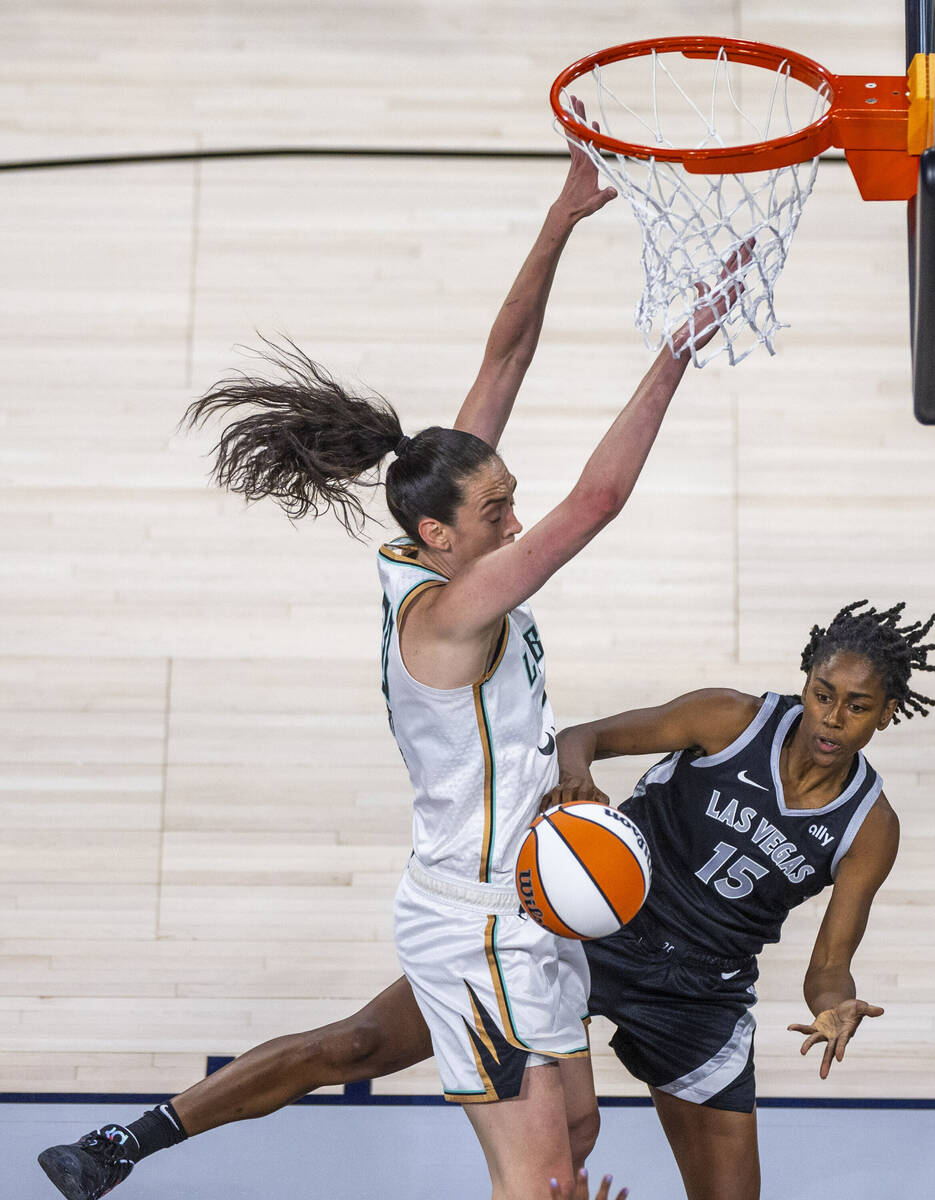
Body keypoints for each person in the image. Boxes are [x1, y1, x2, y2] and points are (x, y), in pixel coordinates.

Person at [36, 105, 748, 1200]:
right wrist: (676, 349)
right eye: (498, 508)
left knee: (563, 1126)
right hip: (480, 915)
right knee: (544, 1179)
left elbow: (504, 355)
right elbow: (597, 503)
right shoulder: (451, 612)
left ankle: (125, 1146)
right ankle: (138, 1142)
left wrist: (562, 217)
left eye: (510, 502)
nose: (514, 518)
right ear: (438, 534)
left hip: (522, 903)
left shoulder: (430, 531)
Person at [39, 601, 935, 1200]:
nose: (830, 718)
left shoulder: (868, 825)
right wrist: (577, 793)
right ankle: (127, 1142)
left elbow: (826, 964)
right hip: (583, 926)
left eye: (855, 706)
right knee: (359, 1043)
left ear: (887, 714)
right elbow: (585, 737)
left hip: (701, 994)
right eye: (822, 693)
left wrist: (834, 1006)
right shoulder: (733, 718)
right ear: (805, 681)